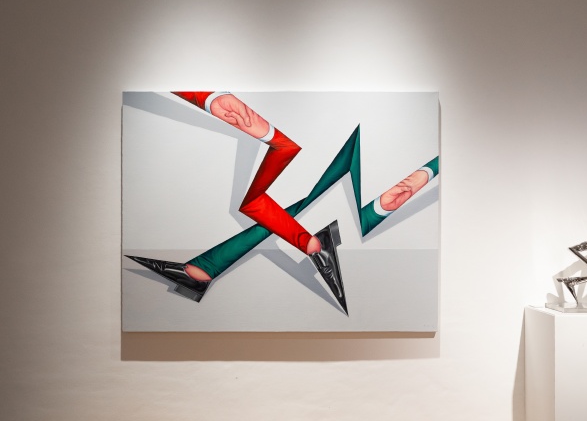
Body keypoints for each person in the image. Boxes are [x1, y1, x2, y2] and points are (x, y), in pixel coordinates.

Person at [126, 92, 439, 315]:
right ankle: (307, 247)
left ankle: (208, 269)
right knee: (280, 192)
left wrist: (422, 176)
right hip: (337, 160)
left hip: (347, 159)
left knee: (280, 183)